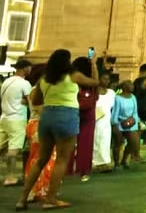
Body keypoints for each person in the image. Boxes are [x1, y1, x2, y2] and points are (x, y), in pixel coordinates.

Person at [16, 49, 99, 211]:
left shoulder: (44, 79)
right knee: (61, 160)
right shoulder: (73, 76)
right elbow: (95, 83)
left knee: (41, 159)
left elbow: (35, 100)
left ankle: (22, 199)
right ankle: (51, 198)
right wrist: (93, 64)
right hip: (67, 116)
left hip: (47, 117)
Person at [22, 65, 55, 204]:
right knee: (40, 158)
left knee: (39, 157)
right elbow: (41, 109)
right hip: (39, 125)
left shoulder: (35, 89)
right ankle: (35, 190)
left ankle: (38, 189)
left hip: (36, 124)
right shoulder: (37, 90)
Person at [0, 59, 32, 187]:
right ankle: (10, 177)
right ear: (25, 69)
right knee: (14, 150)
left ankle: (9, 176)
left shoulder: (6, 82)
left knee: (2, 147)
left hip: (4, 118)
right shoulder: (25, 83)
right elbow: (30, 101)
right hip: (17, 119)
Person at [69, 57, 98, 180]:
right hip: (88, 113)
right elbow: (96, 82)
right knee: (86, 142)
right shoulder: (89, 82)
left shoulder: (71, 78)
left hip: (72, 110)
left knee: (68, 141)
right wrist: (94, 65)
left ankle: (67, 169)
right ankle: (83, 170)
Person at [111, 80, 140, 168]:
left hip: (131, 122)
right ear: (124, 87)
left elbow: (135, 112)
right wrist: (114, 125)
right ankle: (116, 163)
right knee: (118, 144)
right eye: (130, 85)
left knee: (133, 143)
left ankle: (124, 159)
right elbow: (115, 112)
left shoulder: (133, 97)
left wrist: (136, 123)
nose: (132, 86)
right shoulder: (118, 98)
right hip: (119, 123)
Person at [92, 72, 115, 173]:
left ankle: (105, 162)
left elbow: (112, 107)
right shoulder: (94, 92)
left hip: (106, 121)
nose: (106, 81)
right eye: (104, 78)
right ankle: (95, 163)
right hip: (95, 120)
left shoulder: (111, 93)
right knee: (96, 141)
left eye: (108, 79)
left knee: (105, 142)